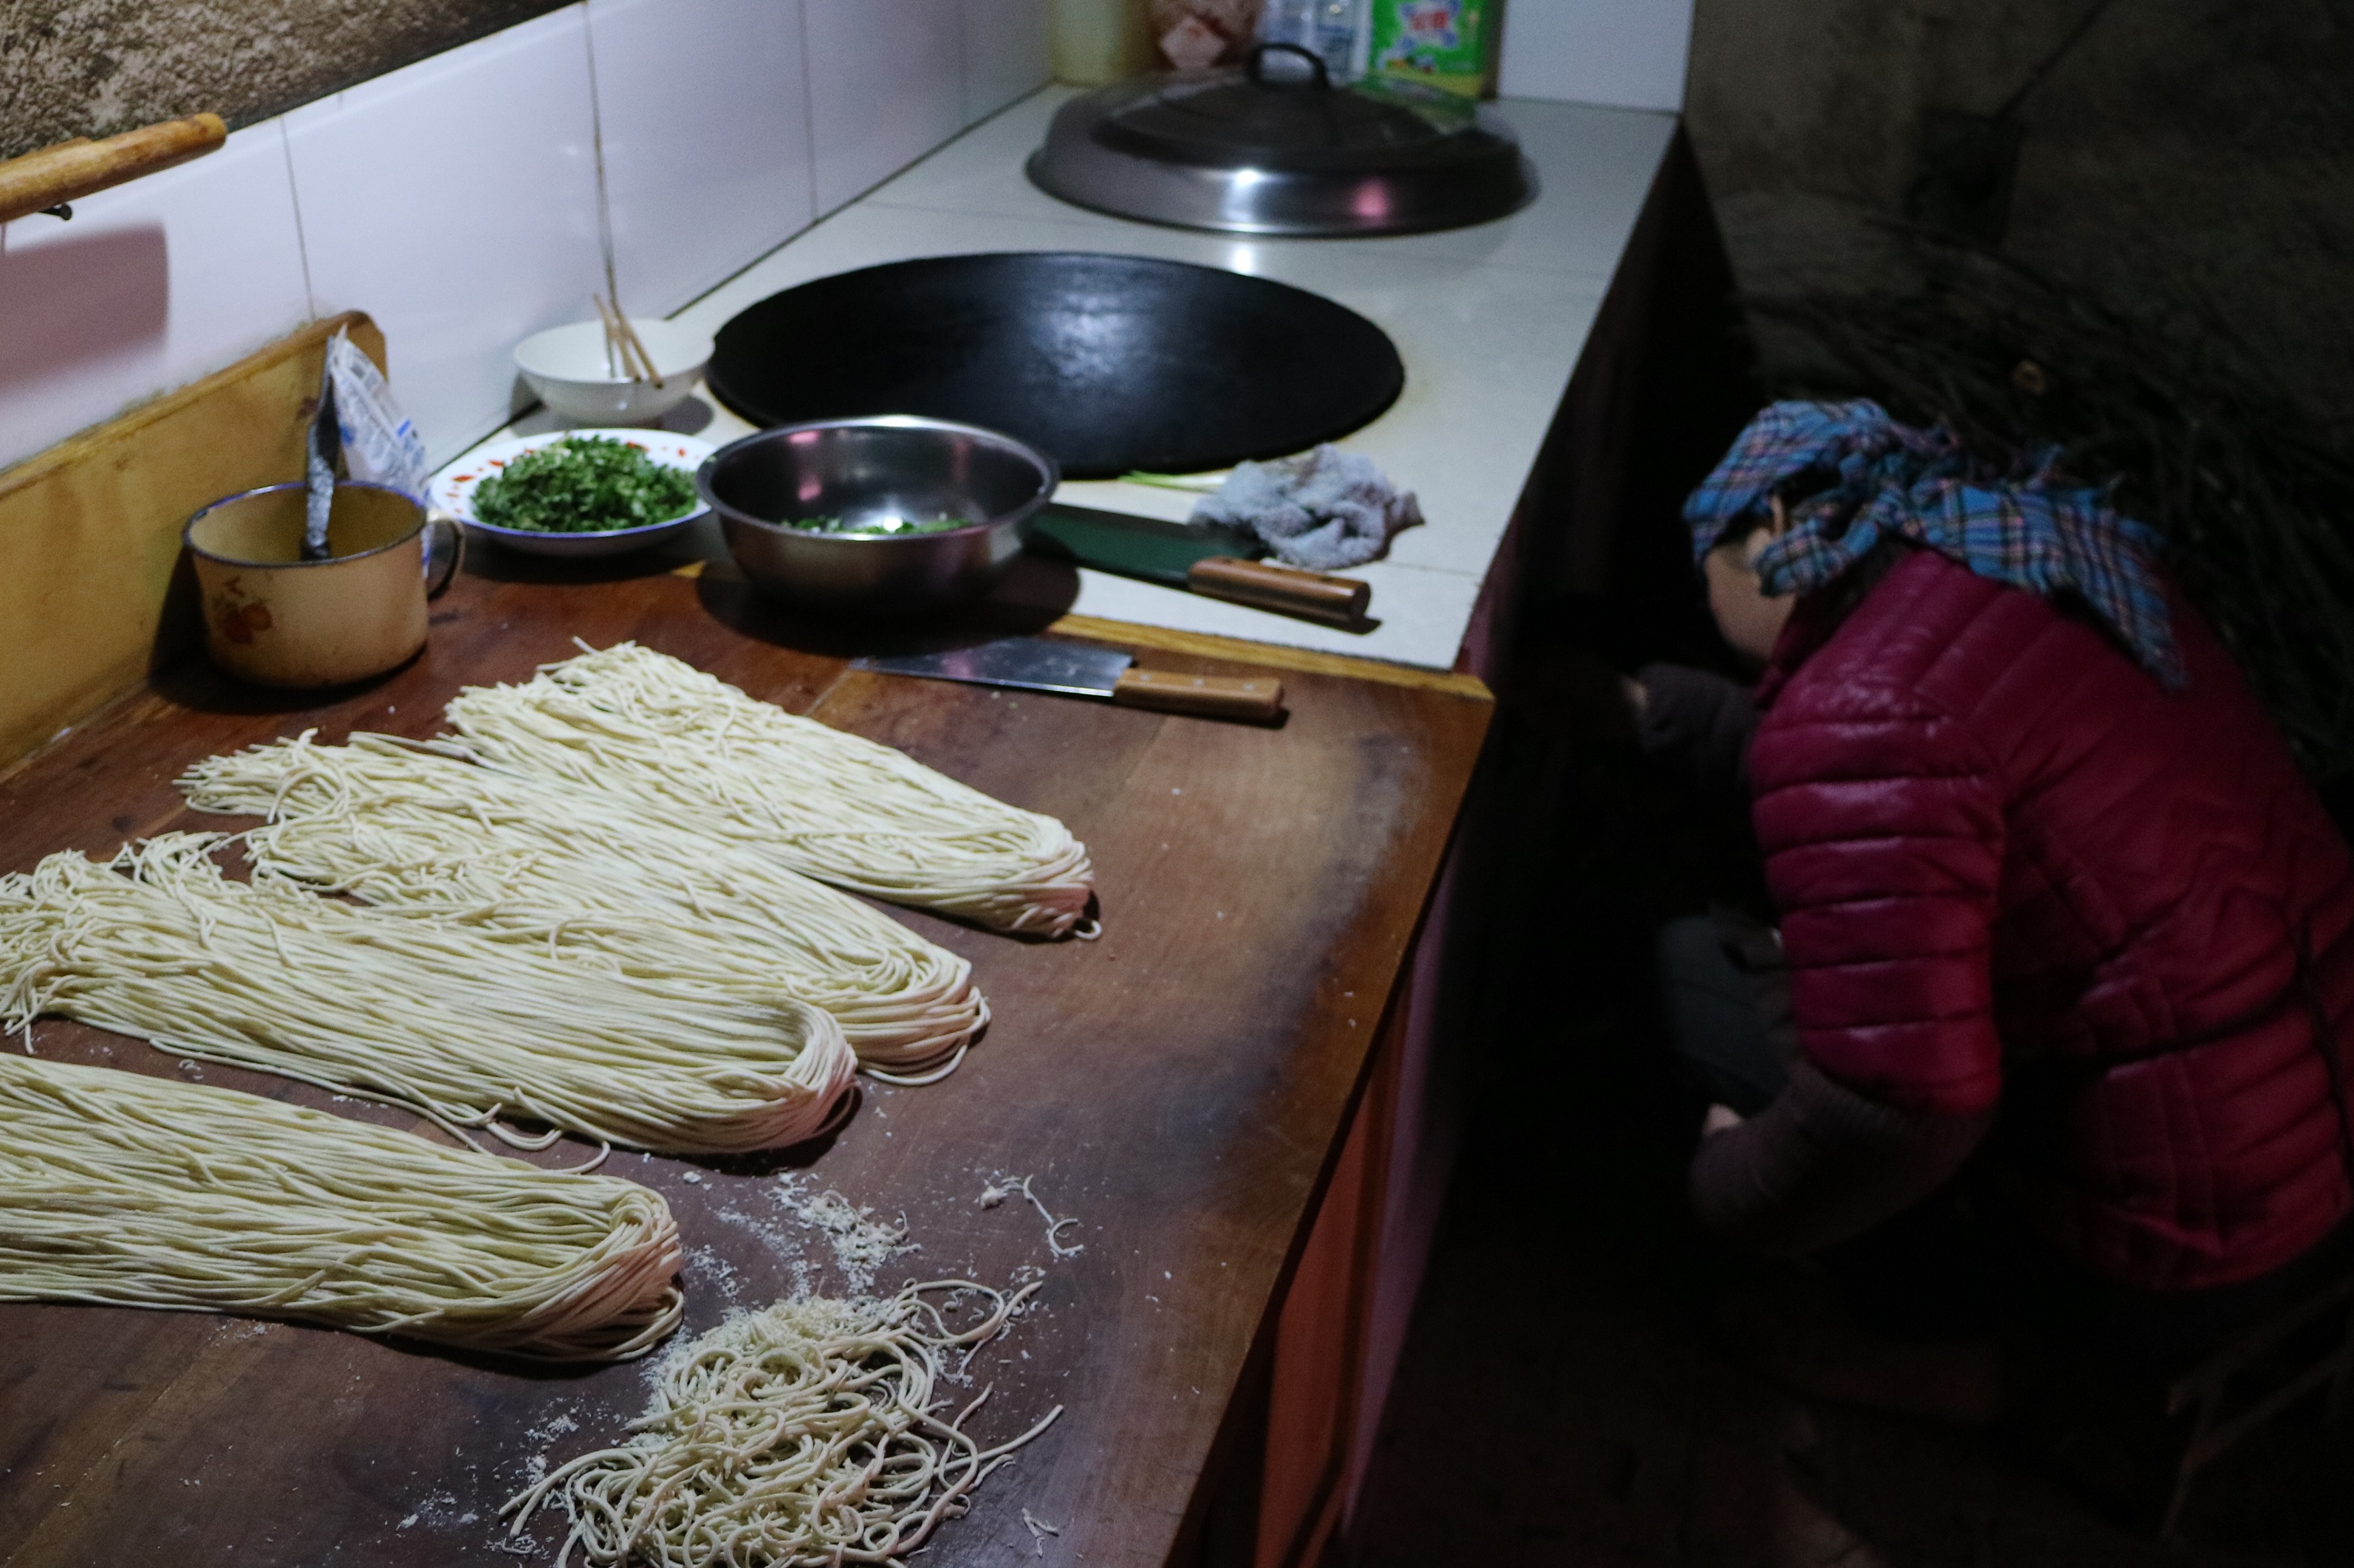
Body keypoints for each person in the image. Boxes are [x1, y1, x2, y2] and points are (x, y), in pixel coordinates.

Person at [1635, 399, 2354, 1445]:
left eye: (1706, 565)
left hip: (2167, 1252)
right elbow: (1926, 771)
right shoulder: (2044, 560)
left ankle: (1944, 1360)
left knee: (1697, 967)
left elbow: (1889, 1113)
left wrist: (1724, 1190)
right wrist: (1655, 712)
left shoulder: (1864, 703)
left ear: (1780, 520)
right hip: (2321, 1159)